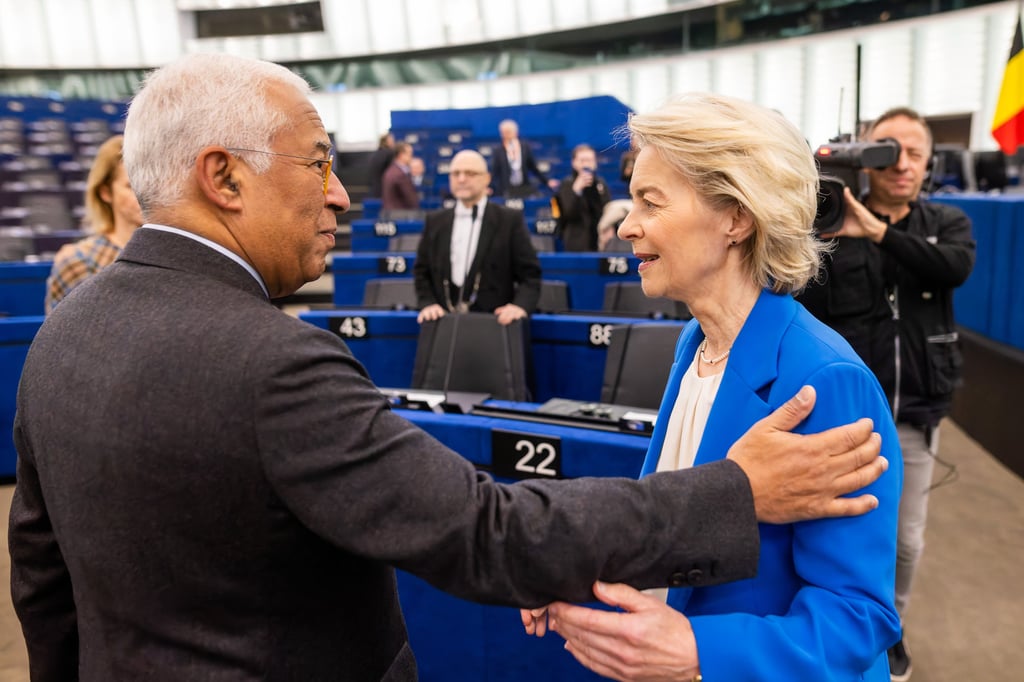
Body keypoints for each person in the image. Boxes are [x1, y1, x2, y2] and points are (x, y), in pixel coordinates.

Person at [10, 54, 888, 682]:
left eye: (649, 203)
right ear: (224, 178)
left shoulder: (63, 336)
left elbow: (41, 584)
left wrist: (677, 639)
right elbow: (485, 533)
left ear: (734, 218)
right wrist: (598, 561)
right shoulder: (271, 363)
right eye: (320, 161)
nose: (342, 189)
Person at [522, 93, 903, 681]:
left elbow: (859, 617)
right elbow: (676, 509)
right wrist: (576, 564)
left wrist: (701, 651)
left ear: (736, 218)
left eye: (651, 202)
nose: (626, 225)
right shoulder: (693, 341)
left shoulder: (827, 381)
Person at [796, 106, 976, 681]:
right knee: (840, 534)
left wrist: (879, 234)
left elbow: (952, 268)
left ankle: (889, 629)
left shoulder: (946, 221)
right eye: (888, 150)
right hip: (845, 417)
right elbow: (801, 301)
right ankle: (844, 635)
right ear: (865, 157)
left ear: (928, 163)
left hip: (916, 411)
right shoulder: (830, 224)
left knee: (905, 542)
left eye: (915, 153)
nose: (903, 164)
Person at [414, 149, 540, 325]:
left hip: (494, 325)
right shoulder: (435, 221)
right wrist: (427, 304)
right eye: (456, 173)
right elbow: (421, 272)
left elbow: (531, 277)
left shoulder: (509, 220)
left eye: (470, 173)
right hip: (442, 324)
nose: (462, 179)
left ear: (487, 179)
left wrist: (520, 306)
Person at [44, 134, 142, 313]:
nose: (143, 193)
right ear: (106, 192)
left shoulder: (175, 253)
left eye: (147, 183)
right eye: (131, 186)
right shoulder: (78, 262)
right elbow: (58, 337)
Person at [557, 143, 611, 251]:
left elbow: (607, 209)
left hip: (599, 240)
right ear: (574, 163)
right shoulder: (567, 184)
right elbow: (567, 214)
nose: (586, 164)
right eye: (582, 160)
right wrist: (576, 191)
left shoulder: (600, 183)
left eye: (590, 160)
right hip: (576, 242)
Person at [490, 118, 559, 198]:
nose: (506, 135)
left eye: (508, 132)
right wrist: (490, 187)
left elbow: (533, 168)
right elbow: (495, 172)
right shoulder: (498, 151)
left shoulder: (525, 147)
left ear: (516, 132)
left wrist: (547, 181)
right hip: (506, 189)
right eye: (504, 132)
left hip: (523, 187)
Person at [380, 141, 420, 212]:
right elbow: (411, 199)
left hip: (391, 212)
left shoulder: (391, 170)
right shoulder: (399, 174)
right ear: (401, 155)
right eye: (409, 153)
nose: (411, 156)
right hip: (399, 214)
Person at [366, 131, 394, 198]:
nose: (393, 142)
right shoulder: (390, 154)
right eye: (392, 140)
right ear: (387, 141)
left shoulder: (374, 154)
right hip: (387, 190)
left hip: (375, 188)